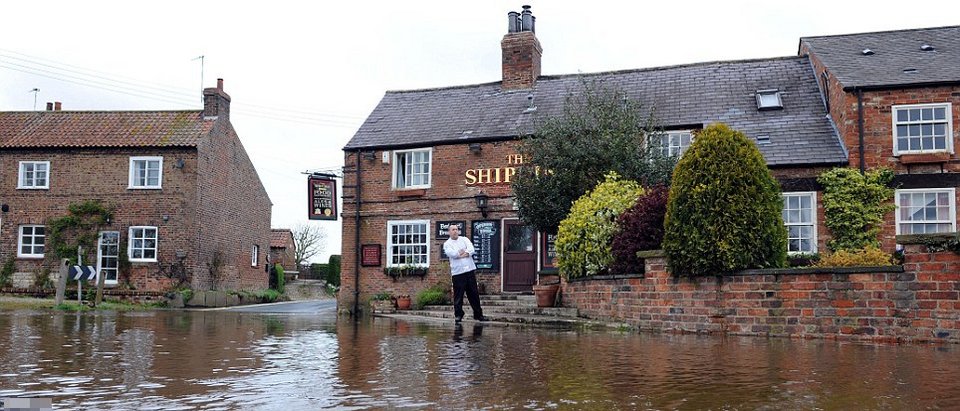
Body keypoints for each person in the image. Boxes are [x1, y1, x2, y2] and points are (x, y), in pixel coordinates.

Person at [443, 224, 487, 323]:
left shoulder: (464, 239)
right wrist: (462, 253)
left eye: (456, 229)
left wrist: (463, 253)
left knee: (474, 294)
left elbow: (471, 250)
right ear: (449, 232)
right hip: (458, 273)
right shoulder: (447, 244)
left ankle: (478, 314)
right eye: (453, 229)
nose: (455, 231)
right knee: (458, 295)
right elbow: (453, 254)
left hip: (470, 270)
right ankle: (458, 315)